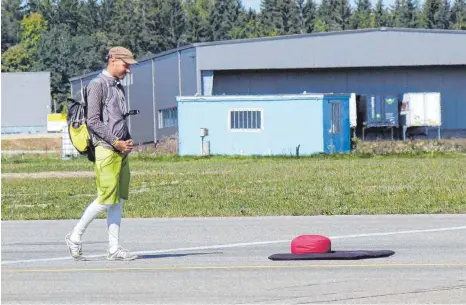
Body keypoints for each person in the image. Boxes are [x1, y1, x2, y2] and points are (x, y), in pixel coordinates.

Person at [65, 46, 138, 261]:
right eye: (126, 65)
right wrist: (116, 141)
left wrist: (126, 138)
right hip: (106, 149)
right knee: (106, 198)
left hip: (120, 150)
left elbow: (117, 119)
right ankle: (75, 236)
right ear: (113, 60)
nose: (128, 70)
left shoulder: (117, 86)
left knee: (117, 200)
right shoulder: (97, 86)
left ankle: (114, 249)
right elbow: (93, 121)